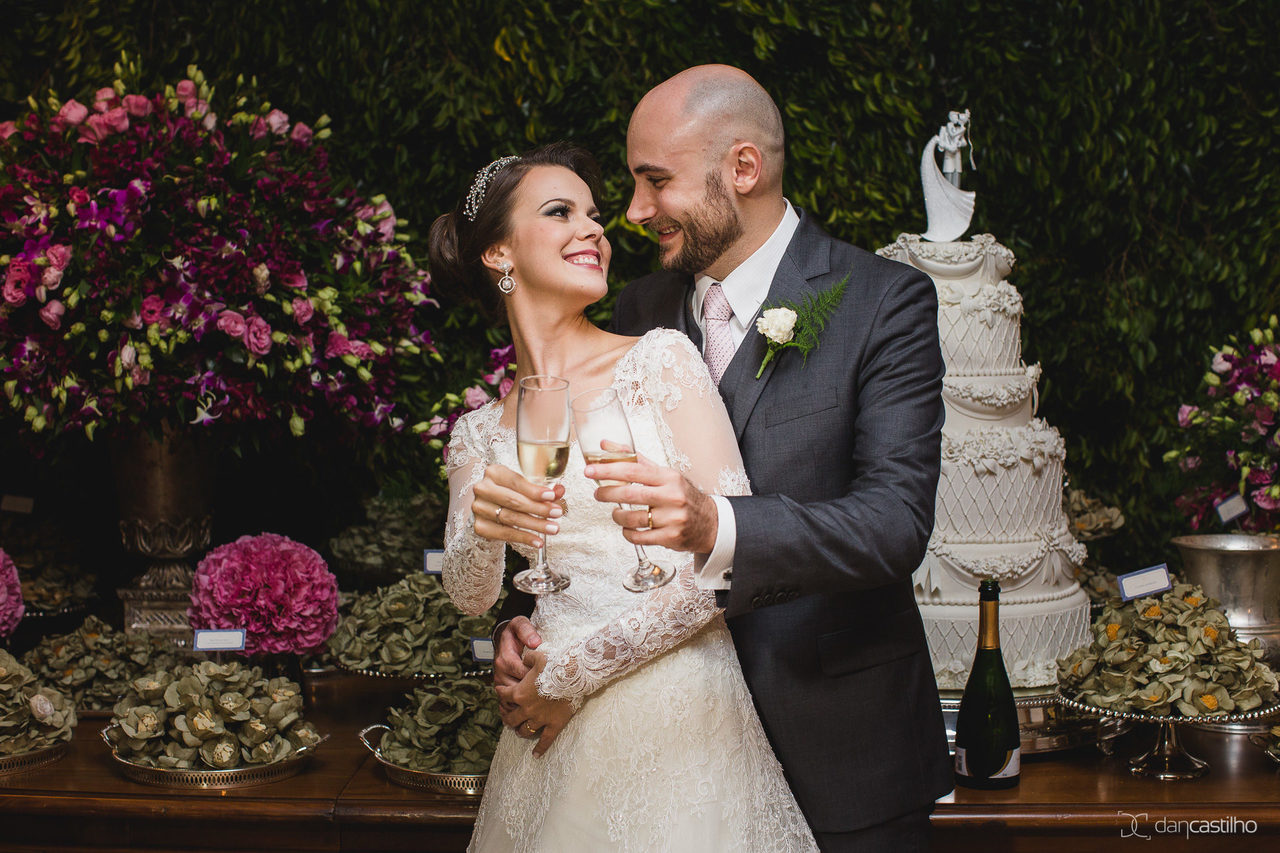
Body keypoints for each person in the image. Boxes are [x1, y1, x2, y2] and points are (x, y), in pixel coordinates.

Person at [488, 66, 954, 852]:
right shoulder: (635, 308)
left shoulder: (884, 302)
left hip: (841, 748)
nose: (633, 213)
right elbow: (566, 505)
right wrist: (530, 619)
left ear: (744, 169)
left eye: (654, 182)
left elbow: (894, 522)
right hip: (661, 752)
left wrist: (719, 524)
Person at [433, 141, 817, 852]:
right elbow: (471, 593)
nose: (593, 230)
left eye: (595, 215)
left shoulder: (660, 359)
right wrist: (485, 529)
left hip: (677, 707)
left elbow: (728, 560)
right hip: (550, 733)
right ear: (499, 255)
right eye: (560, 212)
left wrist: (573, 672)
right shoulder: (478, 431)